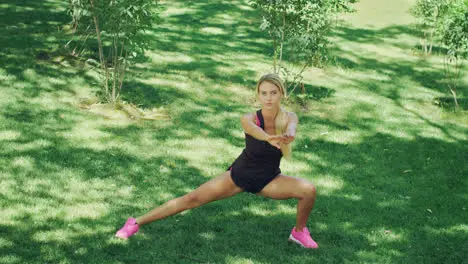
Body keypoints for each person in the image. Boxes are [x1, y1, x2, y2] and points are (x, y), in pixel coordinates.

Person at [115, 73, 319, 248]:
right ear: (258, 94)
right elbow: (253, 131)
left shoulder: (289, 117)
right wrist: (268, 138)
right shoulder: (249, 118)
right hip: (239, 175)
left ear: (281, 94)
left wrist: (289, 135)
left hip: (269, 180)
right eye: (264, 93)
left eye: (273, 93)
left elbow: (292, 127)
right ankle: (135, 222)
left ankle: (299, 232)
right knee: (191, 199)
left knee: (308, 190)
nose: (268, 98)